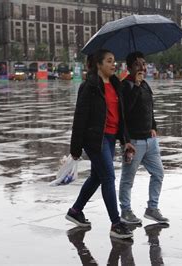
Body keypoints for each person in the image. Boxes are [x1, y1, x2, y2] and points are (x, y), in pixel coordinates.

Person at [65, 49, 135, 239]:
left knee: (97, 176)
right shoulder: (90, 86)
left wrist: (126, 140)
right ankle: (116, 222)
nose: (114, 65)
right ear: (98, 64)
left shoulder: (115, 84)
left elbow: (122, 117)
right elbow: (80, 118)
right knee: (108, 177)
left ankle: (75, 210)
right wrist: (75, 148)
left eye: (114, 61)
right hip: (95, 139)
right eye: (109, 61)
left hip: (112, 137)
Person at [119, 51, 169, 225]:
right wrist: (137, 85)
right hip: (134, 142)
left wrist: (153, 127)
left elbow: (149, 108)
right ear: (129, 67)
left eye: (144, 63)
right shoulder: (125, 86)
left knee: (158, 173)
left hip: (150, 141)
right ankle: (125, 211)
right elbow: (125, 112)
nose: (142, 67)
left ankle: (152, 208)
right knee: (128, 178)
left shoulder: (146, 85)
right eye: (138, 64)